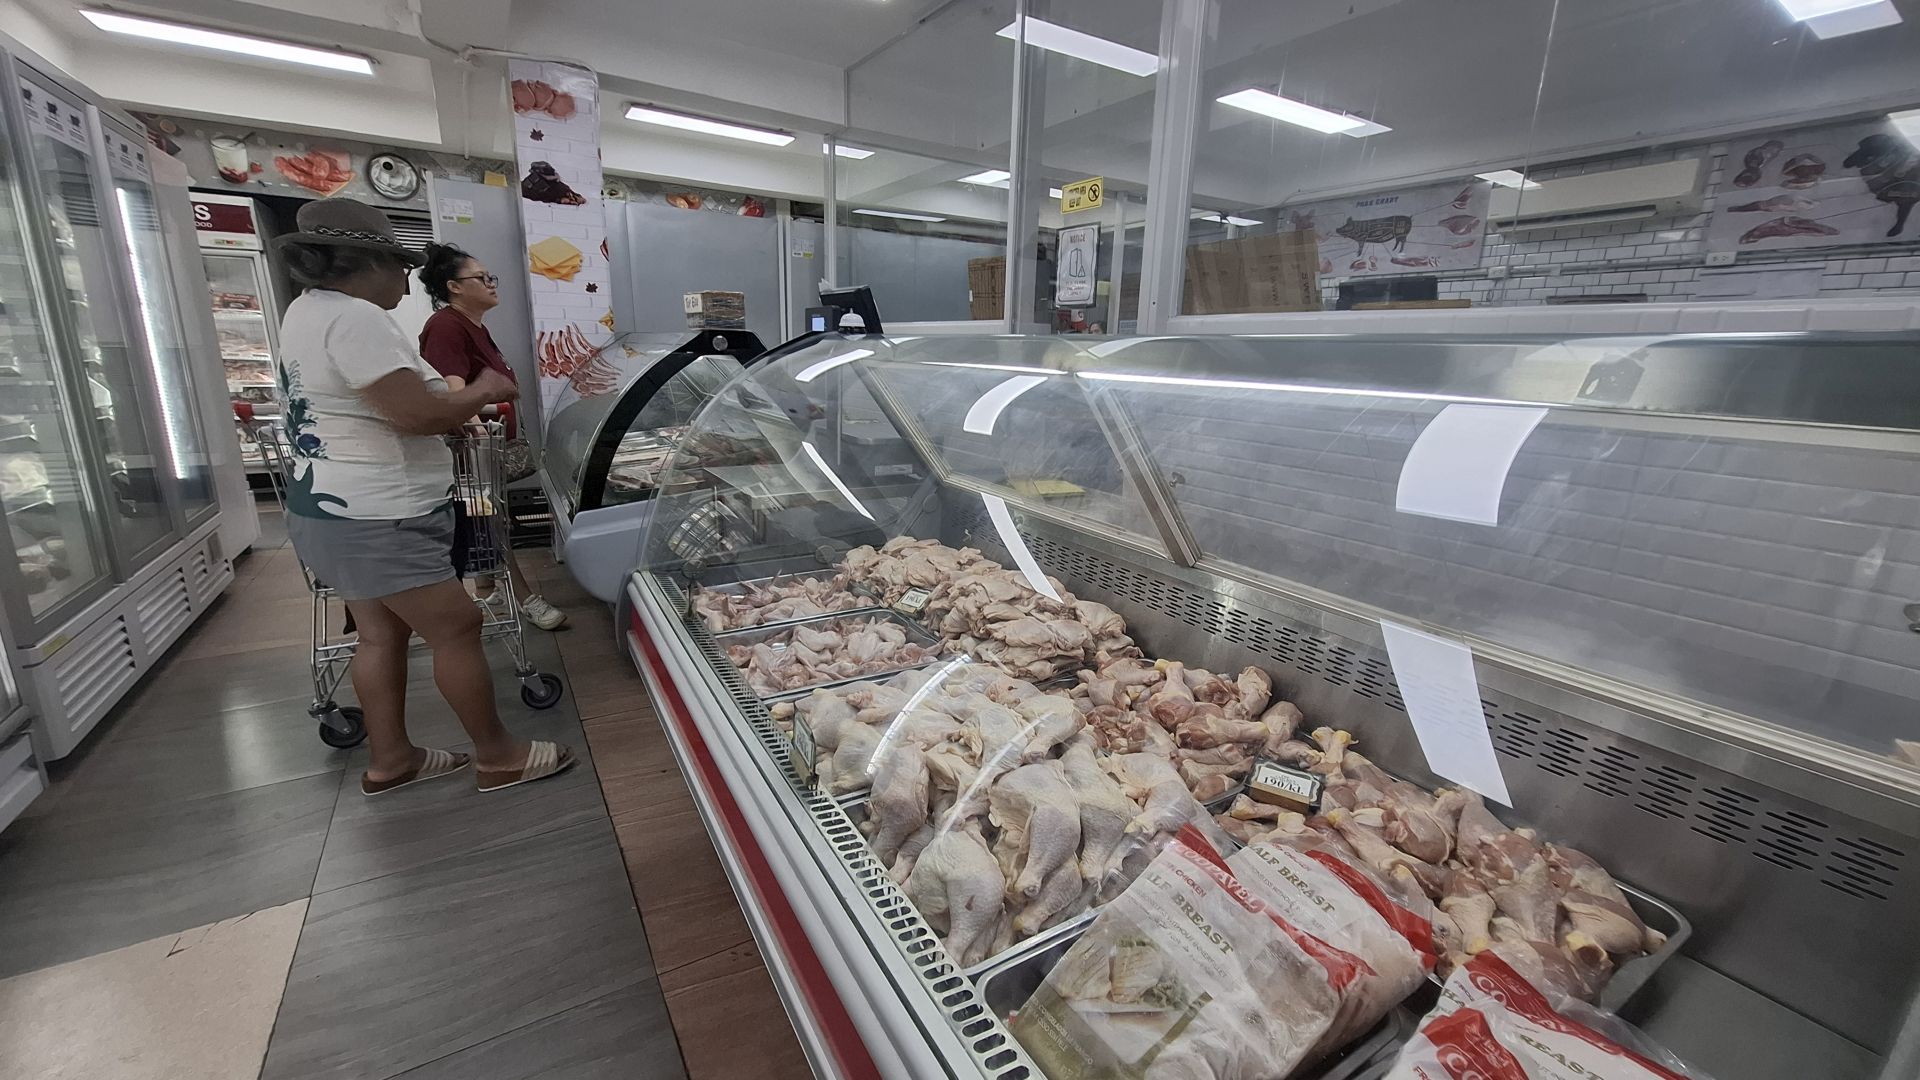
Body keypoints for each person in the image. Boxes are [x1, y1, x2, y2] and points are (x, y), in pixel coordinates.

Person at [273, 199, 575, 795]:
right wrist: (485, 389)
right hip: (379, 514)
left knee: (380, 634)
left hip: (329, 509)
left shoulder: (307, 310)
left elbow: (373, 404)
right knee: (457, 625)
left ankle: (393, 759)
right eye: (399, 265)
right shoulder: (356, 318)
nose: (405, 278)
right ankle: (498, 755)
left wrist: (448, 412)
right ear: (362, 263)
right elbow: (415, 414)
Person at [416, 242, 569, 631]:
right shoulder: (446, 326)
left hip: (486, 449)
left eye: (490, 277)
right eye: (481, 277)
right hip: (469, 452)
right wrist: (480, 438)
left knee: (486, 519)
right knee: (490, 522)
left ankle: (488, 590)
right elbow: (452, 392)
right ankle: (524, 597)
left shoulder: (474, 326)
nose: (490, 283)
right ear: (454, 286)